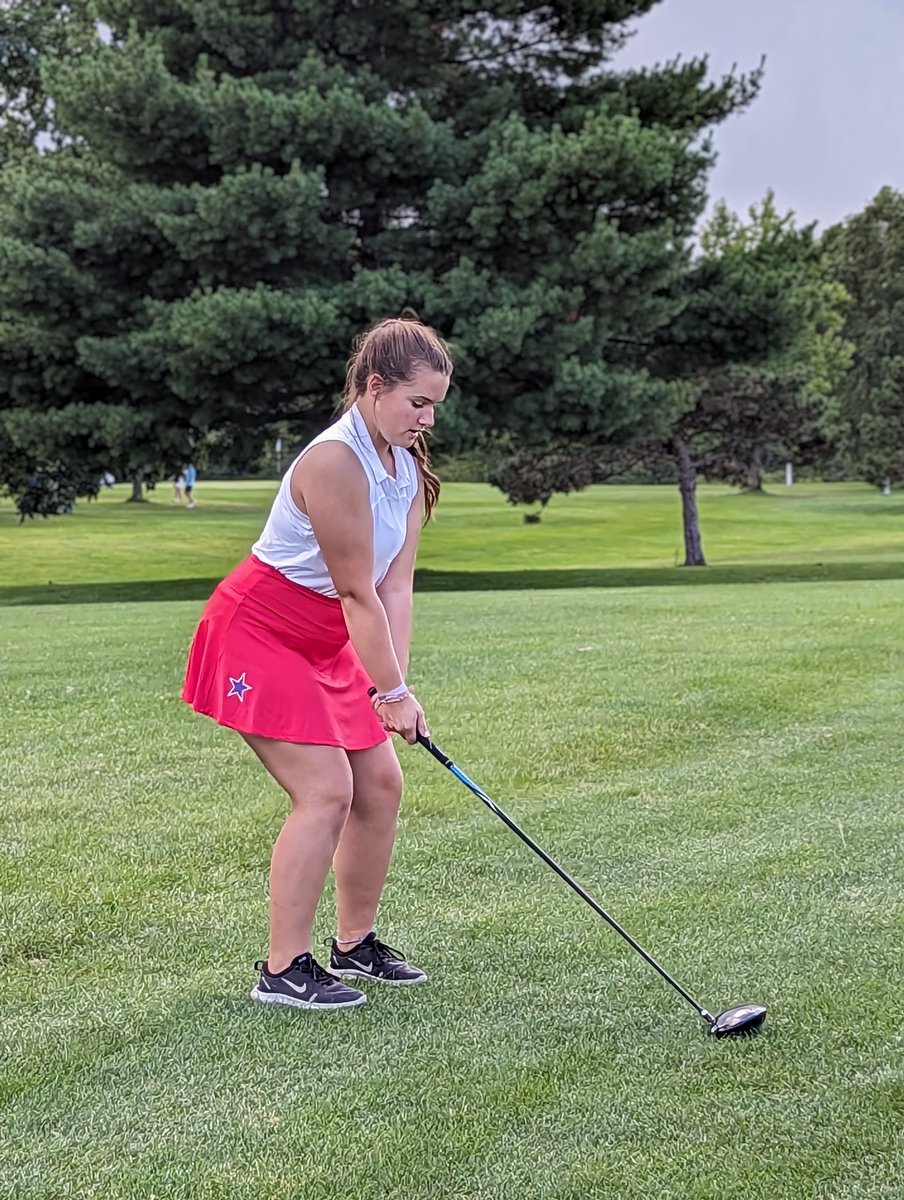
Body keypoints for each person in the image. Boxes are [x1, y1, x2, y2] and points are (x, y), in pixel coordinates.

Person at [181, 316, 452, 1010]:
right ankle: (282, 970)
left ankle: (354, 944)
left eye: (435, 407)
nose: (426, 419)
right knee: (327, 790)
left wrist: (396, 690)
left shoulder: (409, 470)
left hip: (329, 637)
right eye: (416, 402)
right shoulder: (333, 462)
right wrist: (386, 690)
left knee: (380, 784)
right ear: (373, 386)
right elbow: (359, 588)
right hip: (260, 630)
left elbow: (395, 587)